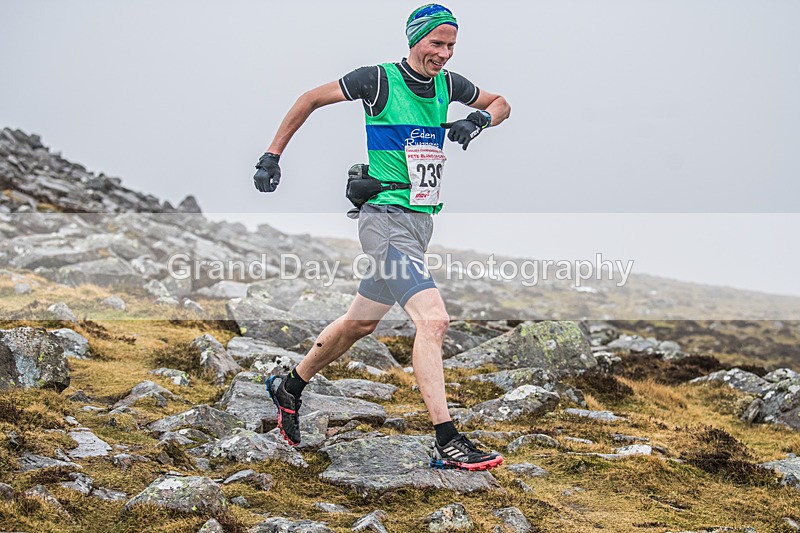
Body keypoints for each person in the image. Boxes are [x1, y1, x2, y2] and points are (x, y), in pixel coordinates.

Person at [253, 4, 510, 471]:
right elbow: (309, 98)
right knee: (432, 322)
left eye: (451, 45)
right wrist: (272, 155)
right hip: (386, 221)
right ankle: (447, 440)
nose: (444, 54)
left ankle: (290, 384)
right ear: (415, 39)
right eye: (437, 43)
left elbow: (501, 103)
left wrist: (478, 121)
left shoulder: (450, 86)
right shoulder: (377, 79)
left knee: (361, 322)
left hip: (419, 222)